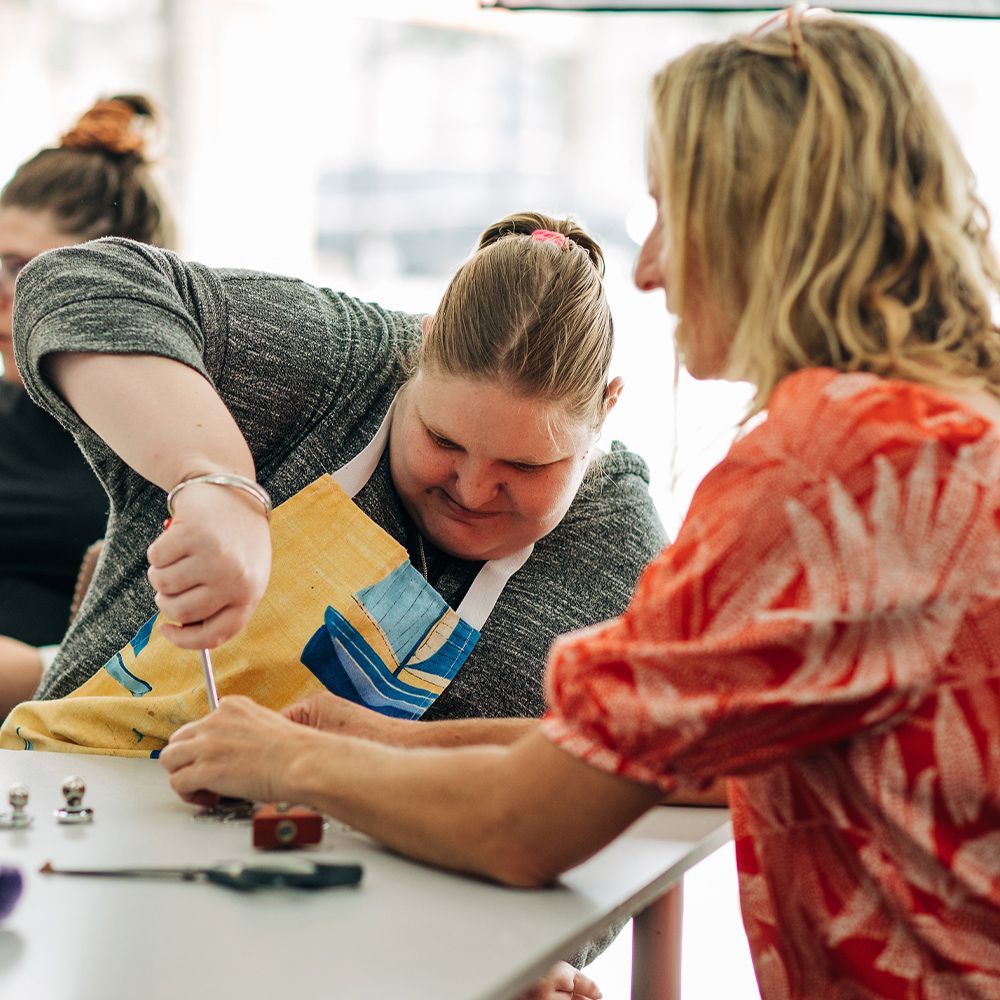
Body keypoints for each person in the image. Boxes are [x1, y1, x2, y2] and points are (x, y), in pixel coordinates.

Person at [152, 11, 997, 999]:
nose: (649, 269)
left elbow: (523, 825)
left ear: (763, 223)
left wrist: (285, 758)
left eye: (667, 214)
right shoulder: (949, 422)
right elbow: (669, 762)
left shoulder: (824, 471)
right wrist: (377, 739)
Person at [0, 209, 663, 749]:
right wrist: (214, 480)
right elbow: (74, 284)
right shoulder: (340, 366)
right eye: (441, 440)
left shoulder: (620, 553)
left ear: (607, 407)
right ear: (420, 351)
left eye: (524, 467)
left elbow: (703, 755)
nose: (469, 488)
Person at [0, 94, 174, 718]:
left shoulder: (171, 454)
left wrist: (40, 668)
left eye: (23, 271)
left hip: (71, 715)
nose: (3, 296)